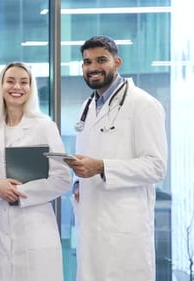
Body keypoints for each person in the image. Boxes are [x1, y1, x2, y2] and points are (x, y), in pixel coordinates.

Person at [66, 35, 168, 281]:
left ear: (117, 62)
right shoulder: (88, 107)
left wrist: (101, 167)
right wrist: (79, 183)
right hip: (91, 221)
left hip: (125, 226)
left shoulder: (143, 104)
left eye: (101, 60)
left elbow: (156, 167)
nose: (93, 68)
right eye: (87, 62)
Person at [0, 62, 71, 281]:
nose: (17, 87)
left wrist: (21, 193)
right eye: (10, 81)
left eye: (24, 82)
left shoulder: (44, 126)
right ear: (1, 86)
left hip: (35, 222)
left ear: (31, 88)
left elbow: (62, 178)